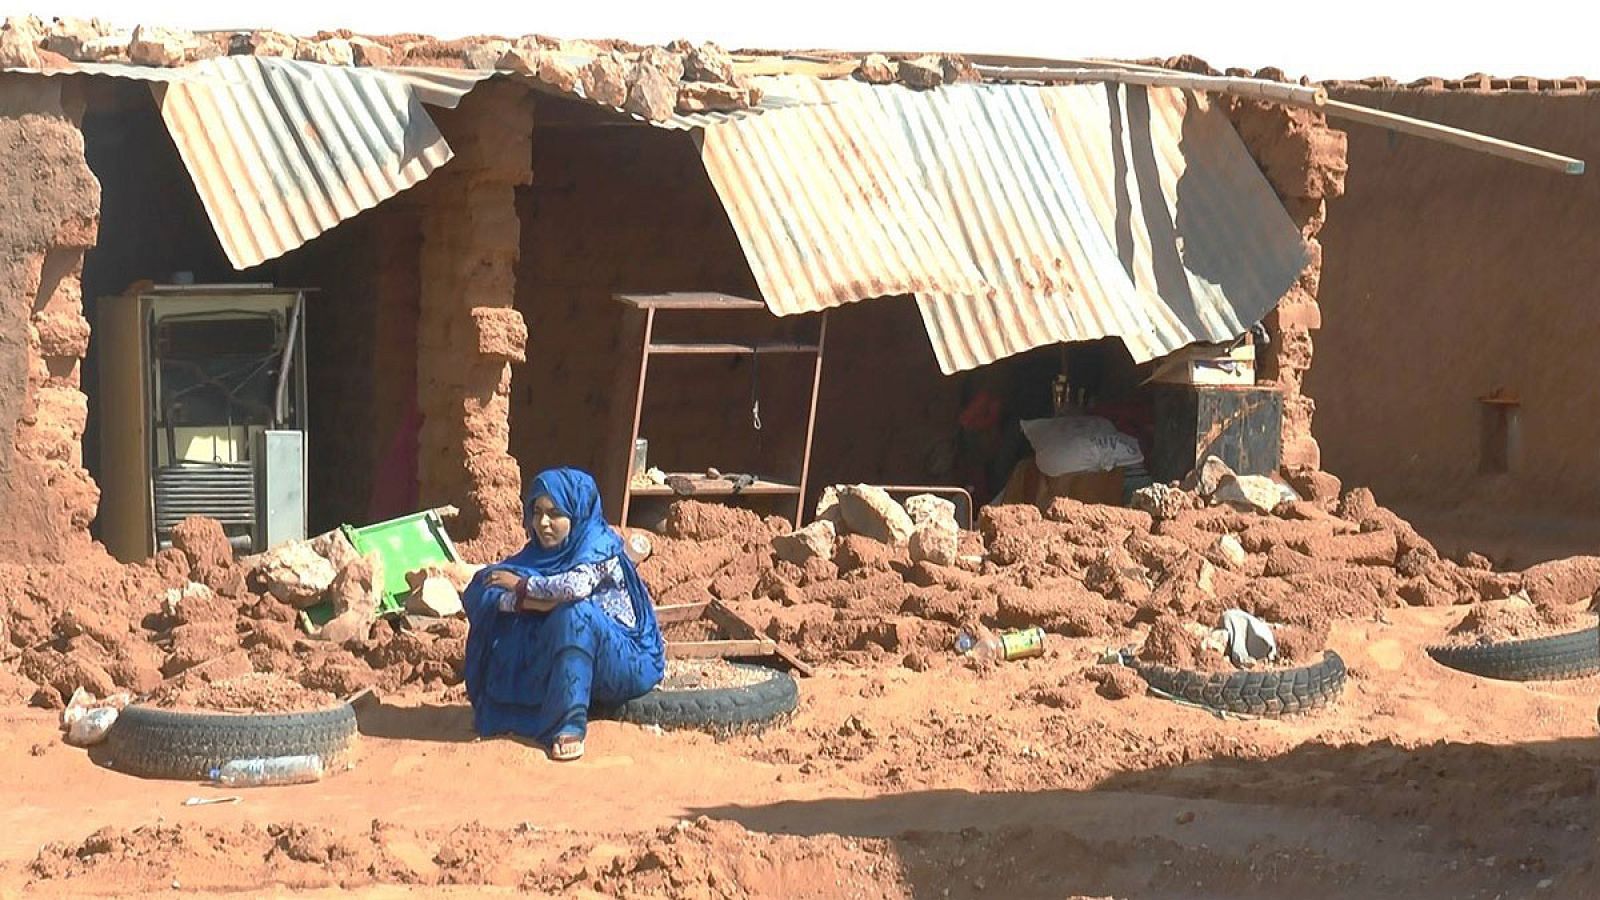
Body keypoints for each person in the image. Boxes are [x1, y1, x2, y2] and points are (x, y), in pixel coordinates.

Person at [461, 468, 665, 761]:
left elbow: (575, 586)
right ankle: (510, 710)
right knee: (508, 605)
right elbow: (483, 588)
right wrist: (527, 603)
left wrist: (523, 586)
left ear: (577, 513)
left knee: (574, 613)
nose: (543, 523)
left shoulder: (598, 544)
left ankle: (568, 724)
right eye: (537, 512)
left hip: (625, 660)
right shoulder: (538, 554)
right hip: (577, 656)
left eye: (555, 513)